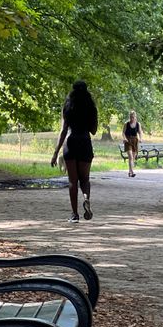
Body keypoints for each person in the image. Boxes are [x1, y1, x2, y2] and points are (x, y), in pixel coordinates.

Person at [51, 80, 97, 222]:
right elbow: (94, 131)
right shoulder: (91, 107)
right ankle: (86, 198)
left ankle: (74, 215)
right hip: (85, 142)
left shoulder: (68, 106)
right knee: (85, 179)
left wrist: (55, 152)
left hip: (70, 144)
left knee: (73, 181)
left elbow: (64, 130)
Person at [122, 110, 143, 177]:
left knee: (133, 158)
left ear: (135, 117)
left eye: (133, 117)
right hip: (128, 141)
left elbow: (140, 132)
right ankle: (132, 172)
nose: (132, 119)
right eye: (131, 117)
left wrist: (140, 138)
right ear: (129, 117)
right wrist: (124, 138)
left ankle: (129, 172)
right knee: (130, 156)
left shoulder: (138, 124)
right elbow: (123, 133)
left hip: (135, 141)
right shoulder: (126, 124)